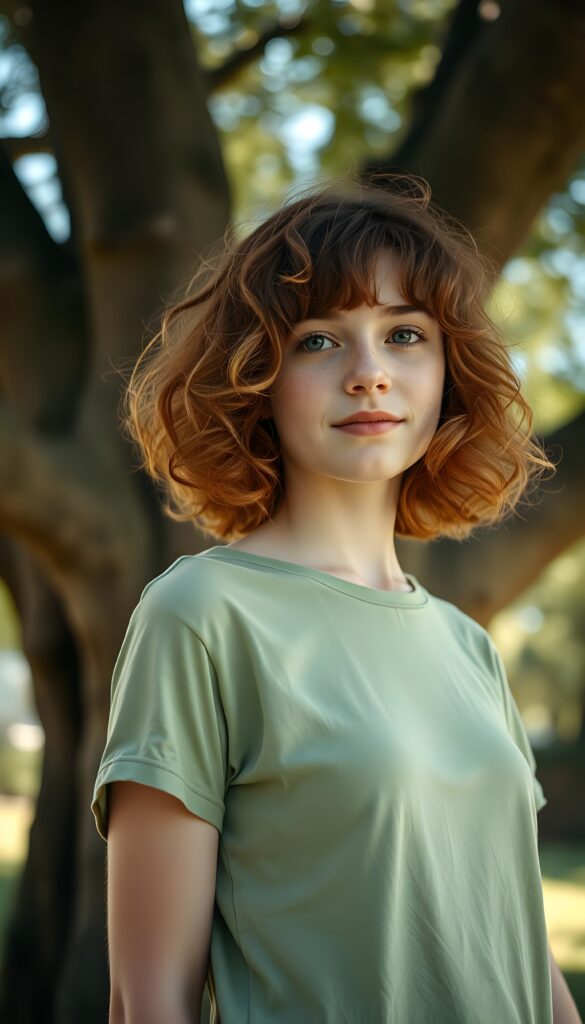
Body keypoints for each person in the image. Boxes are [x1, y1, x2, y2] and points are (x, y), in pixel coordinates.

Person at [90, 173, 577, 1024]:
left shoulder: (468, 647)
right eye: (319, 340)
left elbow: (516, 946)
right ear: (257, 378)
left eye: (404, 335)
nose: (368, 375)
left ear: (445, 371)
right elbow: (146, 1000)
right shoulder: (201, 617)